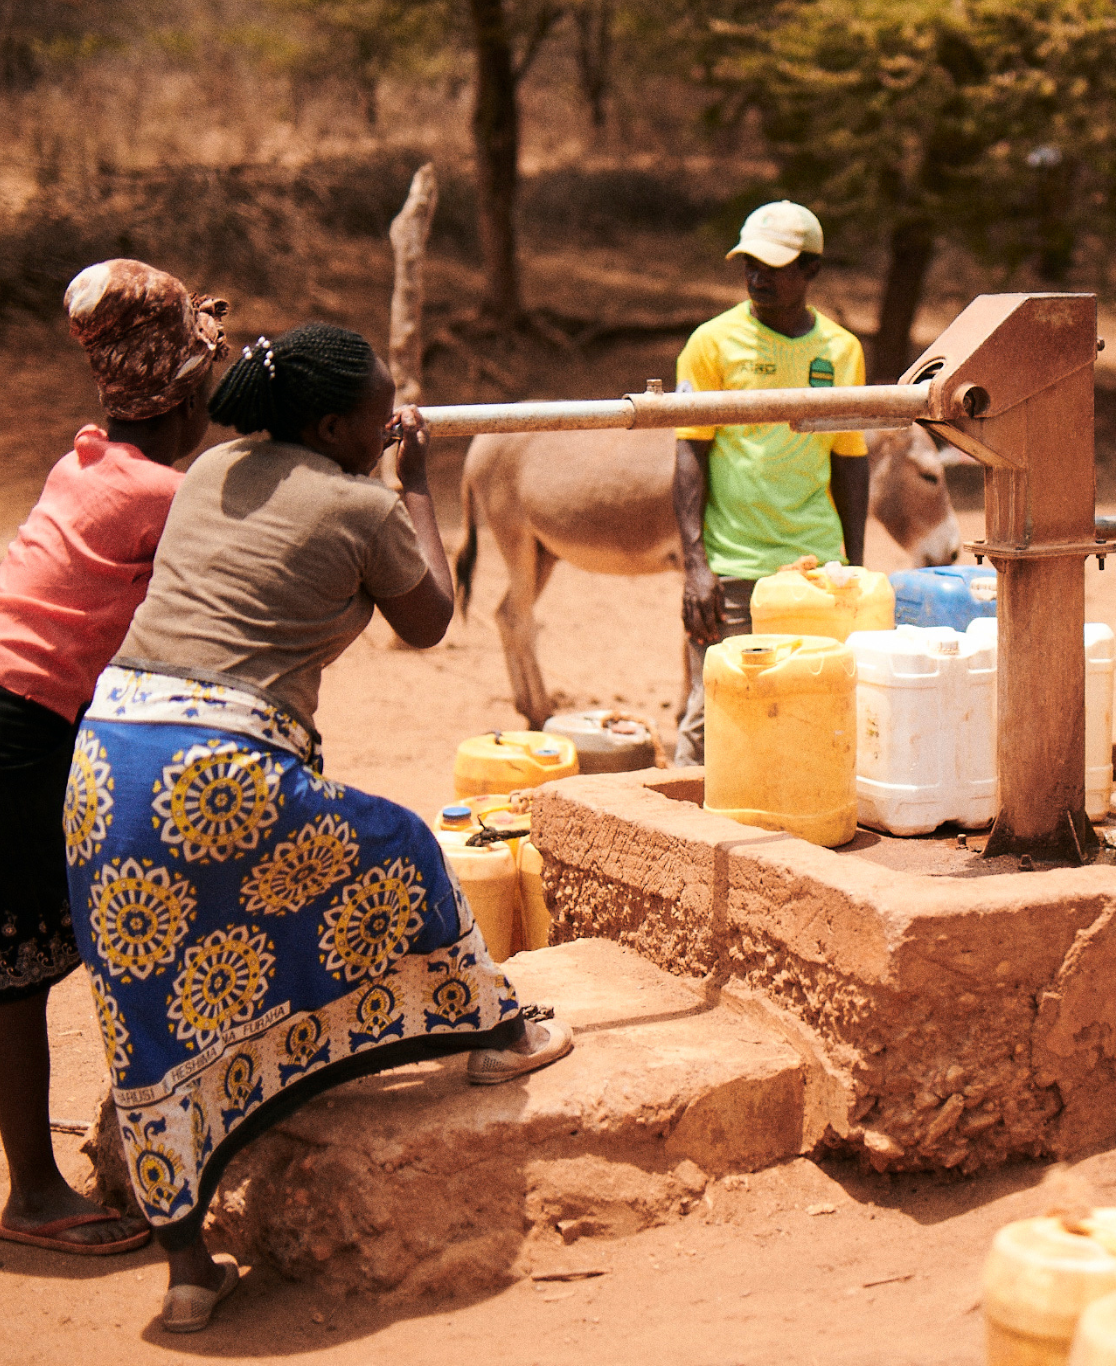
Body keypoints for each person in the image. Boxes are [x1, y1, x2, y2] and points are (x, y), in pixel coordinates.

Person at [65, 324, 573, 1332]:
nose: (390, 417)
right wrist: (415, 478)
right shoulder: (361, 503)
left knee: (149, 997)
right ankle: (493, 1031)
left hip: (104, 764)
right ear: (337, 423)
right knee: (399, 848)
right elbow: (430, 621)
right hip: (216, 772)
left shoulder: (213, 469)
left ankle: (186, 1269)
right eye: (379, 408)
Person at [0, 259, 228, 1256]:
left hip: (19, 711)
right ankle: (35, 1197)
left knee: (25, 953)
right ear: (180, 398)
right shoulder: (163, 495)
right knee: (21, 960)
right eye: (210, 385)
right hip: (19, 726)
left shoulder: (88, 457)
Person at [673, 201, 869, 765]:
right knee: (712, 718)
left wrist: (851, 566)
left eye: (773, 265)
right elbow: (690, 455)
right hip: (732, 572)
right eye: (748, 264)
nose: (757, 277)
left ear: (811, 270)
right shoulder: (711, 343)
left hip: (815, 572)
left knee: (814, 714)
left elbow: (850, 462)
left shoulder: (841, 351)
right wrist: (696, 567)